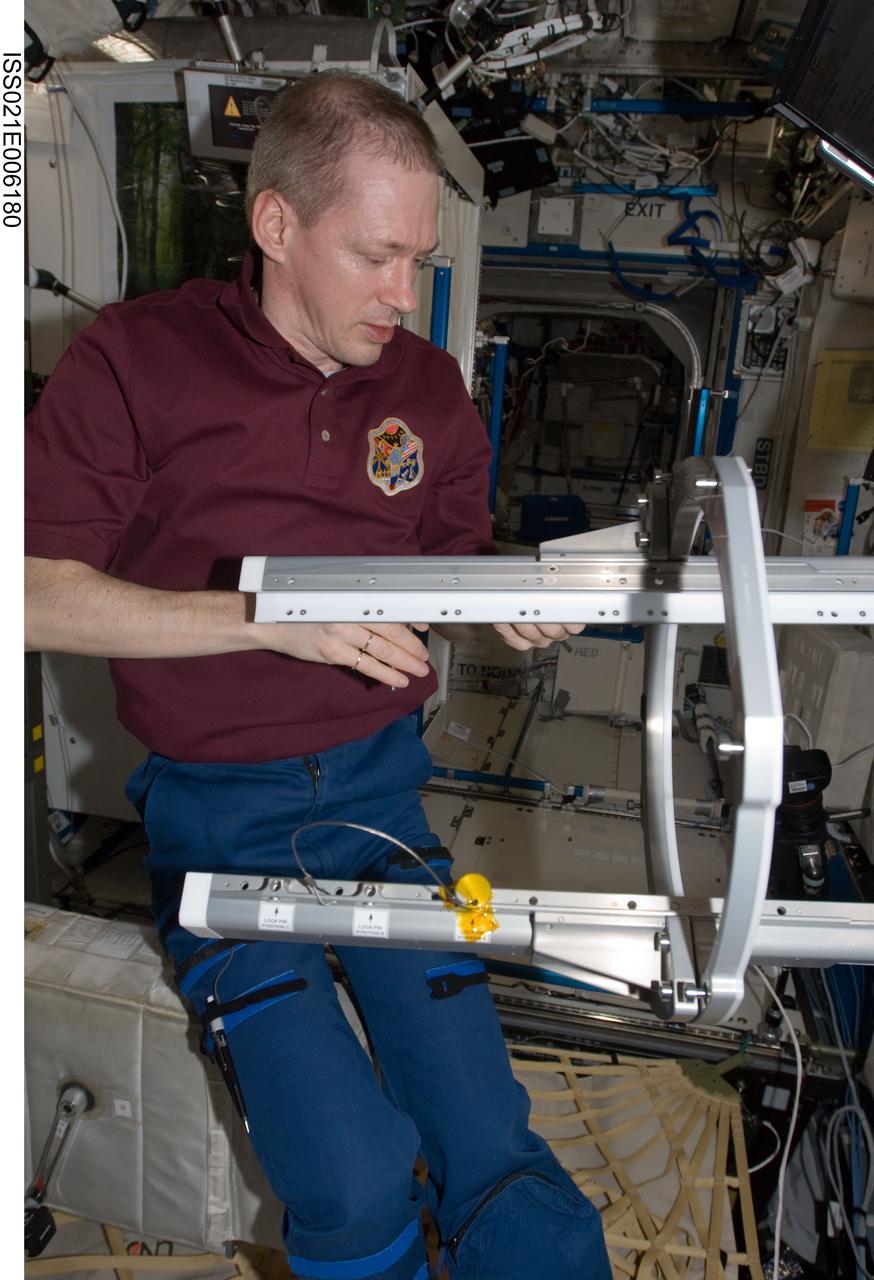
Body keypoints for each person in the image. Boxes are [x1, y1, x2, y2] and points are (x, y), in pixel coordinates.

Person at [25, 72, 610, 1280]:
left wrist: (513, 608)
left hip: (384, 806)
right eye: (378, 256)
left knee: (485, 1130)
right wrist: (266, 617)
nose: (407, 295)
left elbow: (449, 572)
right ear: (277, 225)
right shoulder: (138, 360)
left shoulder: (429, 391)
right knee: (343, 1168)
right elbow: (23, 591)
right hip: (217, 818)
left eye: (419, 258)